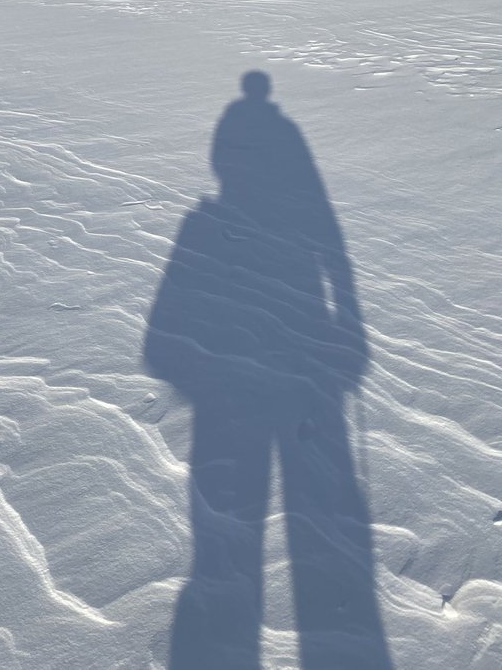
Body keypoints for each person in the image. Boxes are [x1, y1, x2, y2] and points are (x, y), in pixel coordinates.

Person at [143, 71, 392, 669]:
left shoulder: (204, 221)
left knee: (232, 520)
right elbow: (327, 233)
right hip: (294, 356)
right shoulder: (286, 176)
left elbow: (162, 333)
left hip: (230, 398)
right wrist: (347, 316)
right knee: (297, 502)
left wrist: (193, 371)